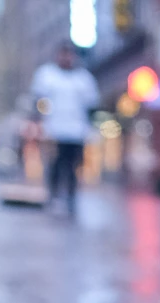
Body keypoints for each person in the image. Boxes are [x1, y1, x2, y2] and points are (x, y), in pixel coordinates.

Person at [31, 43, 99, 215]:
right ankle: (53, 196)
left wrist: (91, 129)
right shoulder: (46, 75)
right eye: (63, 54)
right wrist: (38, 123)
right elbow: (37, 101)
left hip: (76, 132)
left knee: (73, 166)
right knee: (54, 164)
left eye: (69, 55)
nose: (66, 58)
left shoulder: (84, 79)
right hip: (53, 130)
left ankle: (71, 197)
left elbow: (92, 106)